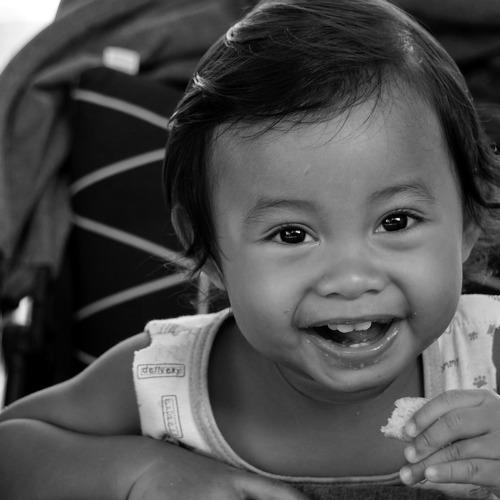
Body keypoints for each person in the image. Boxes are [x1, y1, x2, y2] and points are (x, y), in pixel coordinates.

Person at [2, 0, 500, 498]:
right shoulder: (167, 378)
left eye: (395, 222)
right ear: (206, 247)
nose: (351, 279)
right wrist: (138, 472)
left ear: (468, 221)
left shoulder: (489, 354)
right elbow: (12, 444)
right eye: (292, 234)